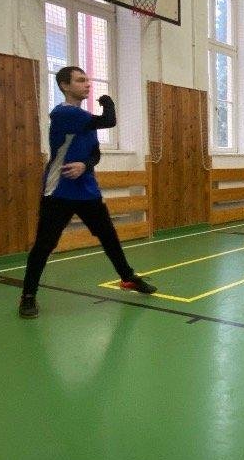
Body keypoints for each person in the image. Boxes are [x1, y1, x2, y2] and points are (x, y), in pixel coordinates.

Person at [18, 66, 157, 318]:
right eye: (80, 80)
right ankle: (28, 296)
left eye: (88, 80)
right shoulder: (63, 113)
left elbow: (95, 154)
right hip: (58, 191)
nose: (87, 84)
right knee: (44, 245)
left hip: (87, 191)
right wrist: (108, 102)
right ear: (64, 86)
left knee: (109, 236)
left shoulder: (85, 120)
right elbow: (109, 120)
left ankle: (128, 278)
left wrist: (84, 165)